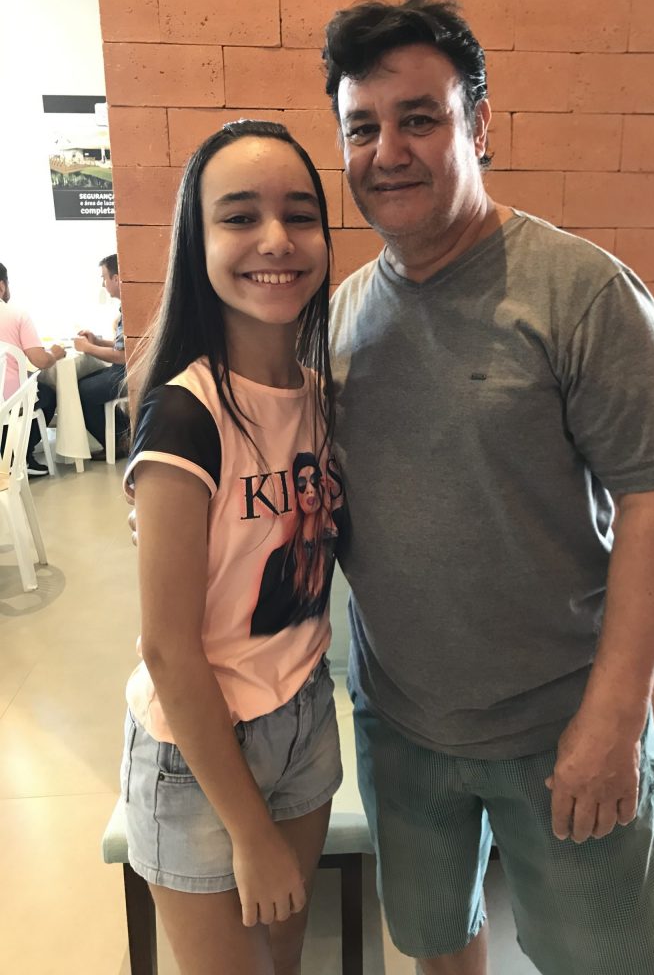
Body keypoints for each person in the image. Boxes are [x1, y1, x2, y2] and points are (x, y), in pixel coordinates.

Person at [321, 0, 654, 975]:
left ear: (479, 126)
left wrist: (613, 721)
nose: (387, 150)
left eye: (419, 118)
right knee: (438, 944)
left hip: (563, 726)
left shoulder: (582, 293)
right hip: (403, 727)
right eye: (362, 127)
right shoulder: (340, 320)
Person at [120, 120, 343, 975]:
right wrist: (249, 831)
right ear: (199, 242)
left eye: (300, 215)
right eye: (241, 216)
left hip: (304, 718)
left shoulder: (321, 399)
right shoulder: (187, 414)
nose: (276, 240)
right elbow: (168, 650)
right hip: (201, 747)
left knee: (282, 960)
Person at [0, 261, 65, 477]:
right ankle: (20, 456)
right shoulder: (16, 314)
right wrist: (55, 353)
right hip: (10, 400)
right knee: (47, 395)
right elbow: (40, 361)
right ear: (2, 286)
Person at [74, 253, 130, 459]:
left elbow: (123, 356)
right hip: (126, 368)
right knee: (85, 383)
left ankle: (116, 444)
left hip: (128, 371)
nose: (103, 284)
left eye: (104, 278)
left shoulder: (131, 308)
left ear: (116, 278)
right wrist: (97, 342)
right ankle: (123, 438)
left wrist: (88, 348)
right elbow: (124, 347)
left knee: (81, 390)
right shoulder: (128, 305)